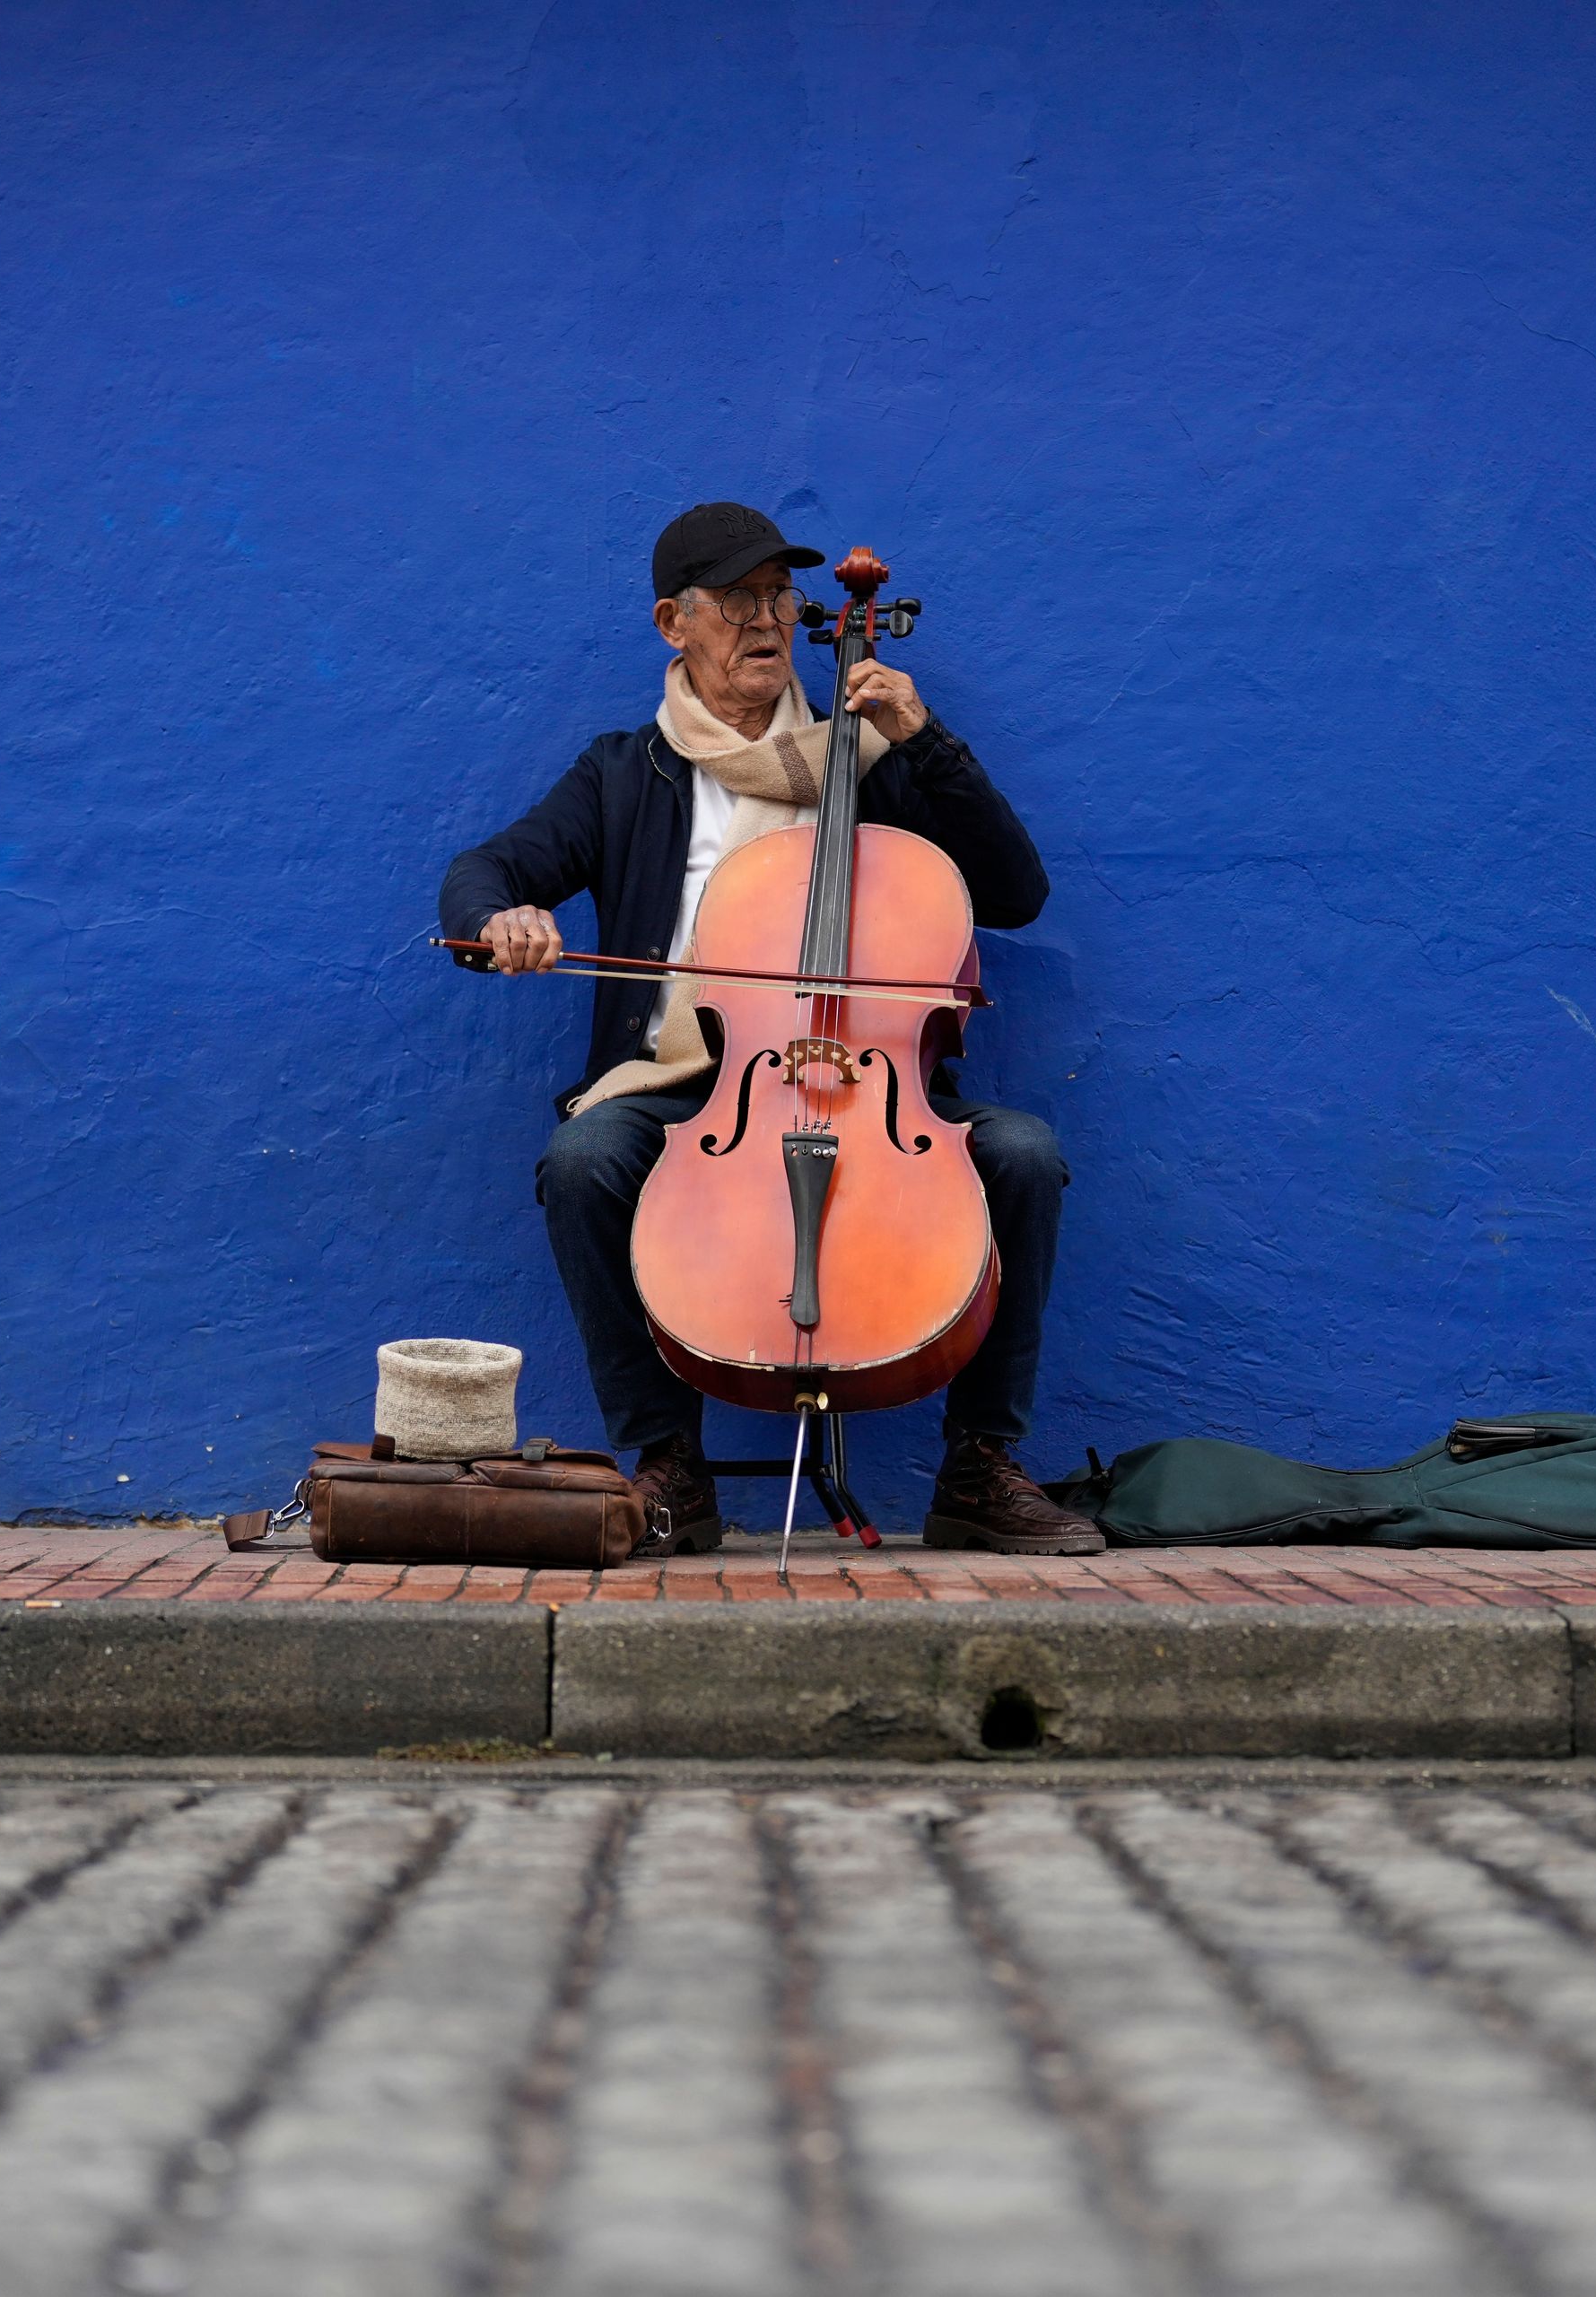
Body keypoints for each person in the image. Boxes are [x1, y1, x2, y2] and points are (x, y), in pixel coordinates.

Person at [439, 502, 1102, 1557]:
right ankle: (669, 1468)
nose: (769, 621)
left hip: (875, 1086)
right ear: (674, 623)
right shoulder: (627, 773)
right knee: (583, 1160)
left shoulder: (868, 759)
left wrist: (925, 744)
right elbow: (490, 869)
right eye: (739, 602)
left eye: (781, 599)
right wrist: (497, 919)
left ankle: (980, 1468)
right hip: (698, 1093)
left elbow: (1015, 893)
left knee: (1023, 1154)